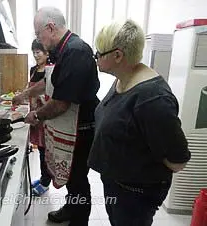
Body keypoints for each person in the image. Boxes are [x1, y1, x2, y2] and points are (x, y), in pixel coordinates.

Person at [88, 19, 191, 226]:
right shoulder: (123, 79)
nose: (95, 58)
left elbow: (177, 160)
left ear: (118, 55)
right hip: (116, 183)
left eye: (99, 53)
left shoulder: (153, 98)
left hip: (135, 193)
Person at [13, 7, 100, 226]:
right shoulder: (62, 49)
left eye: (37, 34)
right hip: (70, 128)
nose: (38, 40)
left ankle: (79, 221)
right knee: (70, 176)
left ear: (50, 28)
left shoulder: (76, 51)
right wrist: (24, 94)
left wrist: (35, 115)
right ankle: (70, 209)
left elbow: (61, 103)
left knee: (78, 180)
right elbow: (49, 83)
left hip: (81, 129)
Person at [15, 39, 52, 196]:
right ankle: (44, 178)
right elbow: (30, 89)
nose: (36, 55)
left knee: (46, 151)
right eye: (34, 52)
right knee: (41, 149)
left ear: (47, 53)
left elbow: (49, 94)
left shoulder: (51, 70)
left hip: (45, 116)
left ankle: (45, 182)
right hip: (34, 117)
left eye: (39, 52)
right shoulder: (33, 69)